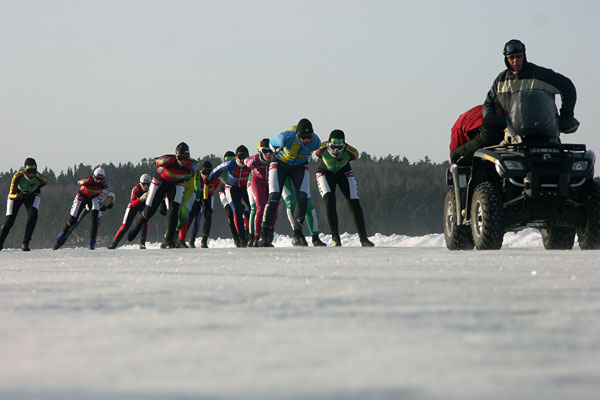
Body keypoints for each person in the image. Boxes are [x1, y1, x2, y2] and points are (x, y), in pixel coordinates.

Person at [450, 39, 578, 163]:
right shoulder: (501, 80)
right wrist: (491, 118)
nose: (515, 61)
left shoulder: (541, 75)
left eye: (518, 57)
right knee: (490, 165)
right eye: (512, 58)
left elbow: (568, 87)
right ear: (506, 58)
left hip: (546, 135)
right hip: (512, 138)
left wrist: (566, 115)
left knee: (570, 168)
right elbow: (489, 102)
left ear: (524, 56)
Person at [259, 118, 321, 247]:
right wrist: (274, 150)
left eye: (309, 137)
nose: (306, 140)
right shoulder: (286, 138)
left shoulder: (316, 142)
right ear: (297, 134)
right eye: (303, 137)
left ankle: (297, 233)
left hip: (299, 166)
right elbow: (270, 142)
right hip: (280, 164)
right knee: (274, 197)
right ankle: (264, 233)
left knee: (302, 198)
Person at [127, 142, 197, 249]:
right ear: (175, 155)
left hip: (176, 184)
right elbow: (156, 162)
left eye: (185, 158)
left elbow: (190, 177)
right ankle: (136, 227)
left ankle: (168, 240)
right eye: (180, 157)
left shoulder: (192, 166)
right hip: (160, 181)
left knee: (174, 211)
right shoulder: (168, 160)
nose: (182, 161)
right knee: (149, 212)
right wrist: (162, 202)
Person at [315, 130, 374, 247]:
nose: (336, 150)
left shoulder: (352, 152)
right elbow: (315, 152)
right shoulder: (320, 149)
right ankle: (335, 238)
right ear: (328, 144)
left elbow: (355, 156)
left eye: (339, 147)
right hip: (325, 173)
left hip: (344, 172)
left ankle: (364, 239)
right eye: (333, 147)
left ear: (344, 146)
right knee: (329, 202)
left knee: (355, 203)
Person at [206, 145, 251, 247]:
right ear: (236, 157)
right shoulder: (230, 164)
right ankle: (242, 238)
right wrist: (209, 179)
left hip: (244, 187)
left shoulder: (250, 163)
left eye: (245, 157)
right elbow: (216, 170)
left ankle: (253, 235)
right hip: (232, 188)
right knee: (237, 211)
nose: (243, 160)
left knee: (253, 209)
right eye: (240, 158)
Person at [54, 167, 109, 250]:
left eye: (101, 179)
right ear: (93, 177)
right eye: (97, 179)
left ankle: (91, 244)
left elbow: (109, 195)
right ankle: (62, 235)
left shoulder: (105, 184)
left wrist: (106, 204)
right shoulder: (88, 181)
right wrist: (84, 182)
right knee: (73, 220)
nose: (99, 181)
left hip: (93, 198)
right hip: (82, 197)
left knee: (95, 220)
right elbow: (79, 182)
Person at [0, 158, 49, 251]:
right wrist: (19, 195)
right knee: (9, 220)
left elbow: (45, 181)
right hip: (17, 195)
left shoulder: (40, 178)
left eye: (33, 171)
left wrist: (35, 190)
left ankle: (25, 243)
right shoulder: (18, 176)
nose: (31, 174)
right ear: (24, 170)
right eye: (29, 171)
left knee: (33, 216)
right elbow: (11, 194)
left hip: (32, 195)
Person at [179, 161, 222, 248]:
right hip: (196, 195)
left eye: (208, 173)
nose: (206, 175)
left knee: (208, 214)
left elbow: (213, 189)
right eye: (204, 172)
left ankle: (204, 240)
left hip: (208, 196)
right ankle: (183, 239)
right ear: (201, 172)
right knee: (193, 216)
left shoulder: (216, 180)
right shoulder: (197, 178)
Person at [245, 138, 278, 247]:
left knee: (274, 208)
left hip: (271, 182)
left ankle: (268, 235)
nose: (268, 154)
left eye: (270, 151)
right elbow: (245, 162)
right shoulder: (254, 160)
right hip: (258, 181)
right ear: (259, 152)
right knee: (261, 207)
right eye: (265, 151)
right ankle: (256, 236)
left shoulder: (277, 158)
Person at [108, 174, 151, 249]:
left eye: (148, 184)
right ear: (140, 184)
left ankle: (142, 243)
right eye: (144, 184)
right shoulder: (136, 189)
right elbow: (133, 203)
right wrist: (141, 199)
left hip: (143, 206)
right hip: (133, 206)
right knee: (125, 226)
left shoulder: (151, 190)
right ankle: (114, 243)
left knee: (145, 222)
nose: (146, 187)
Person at [174, 157, 200, 248]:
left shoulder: (195, 164)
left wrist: (198, 199)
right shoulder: (176, 163)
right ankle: (169, 237)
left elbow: (197, 182)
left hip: (189, 192)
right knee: (175, 215)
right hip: (178, 189)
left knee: (184, 215)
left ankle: (181, 239)